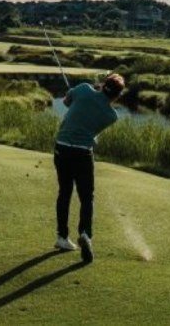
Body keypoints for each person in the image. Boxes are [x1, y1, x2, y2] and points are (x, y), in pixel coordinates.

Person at [53, 73, 125, 263]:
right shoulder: (111, 116)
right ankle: (85, 233)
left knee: (65, 192)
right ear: (117, 96)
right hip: (82, 153)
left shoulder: (83, 89)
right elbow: (92, 132)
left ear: (103, 84)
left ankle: (62, 237)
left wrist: (73, 97)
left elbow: (66, 102)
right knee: (86, 197)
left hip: (62, 148)